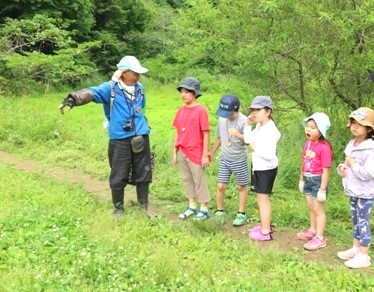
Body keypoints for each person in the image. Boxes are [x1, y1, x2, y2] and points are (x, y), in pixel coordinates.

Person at [58, 55, 153, 220]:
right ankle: (118, 209)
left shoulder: (140, 88)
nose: (138, 76)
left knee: (143, 172)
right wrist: (72, 99)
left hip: (141, 137)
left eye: (139, 73)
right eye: (134, 72)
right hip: (120, 139)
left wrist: (144, 126)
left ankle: (143, 207)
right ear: (123, 73)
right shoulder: (110, 89)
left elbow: (142, 107)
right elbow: (91, 92)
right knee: (119, 173)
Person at [336, 107, 374, 269]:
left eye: (360, 124)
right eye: (353, 122)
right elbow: (346, 164)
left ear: (369, 128)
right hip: (353, 190)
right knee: (355, 221)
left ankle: (364, 256)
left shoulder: (371, 149)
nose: (354, 126)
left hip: (365, 193)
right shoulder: (351, 144)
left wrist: (353, 165)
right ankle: (355, 248)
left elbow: (368, 174)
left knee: (363, 222)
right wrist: (342, 168)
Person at [172, 77, 211, 221]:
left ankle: (204, 208)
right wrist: (174, 152)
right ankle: (192, 205)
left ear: (194, 93)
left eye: (187, 91)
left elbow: (206, 133)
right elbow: (177, 132)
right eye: (182, 91)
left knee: (199, 179)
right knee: (186, 179)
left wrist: (205, 155)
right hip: (182, 150)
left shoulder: (201, 111)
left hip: (196, 152)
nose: (183, 94)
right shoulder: (180, 111)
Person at [208, 94, 249, 226]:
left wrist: (238, 135)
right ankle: (219, 211)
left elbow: (249, 141)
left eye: (229, 113)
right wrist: (211, 152)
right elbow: (219, 138)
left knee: (241, 187)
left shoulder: (244, 121)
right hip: (225, 158)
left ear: (236, 110)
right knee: (220, 186)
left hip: (239, 159)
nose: (227, 115)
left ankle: (241, 213)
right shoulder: (222, 120)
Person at [244, 96, 281, 241]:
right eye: (253, 110)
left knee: (263, 200)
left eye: (258, 109)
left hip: (265, 169)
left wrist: (254, 148)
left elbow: (268, 154)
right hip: (259, 167)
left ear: (268, 111)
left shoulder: (270, 130)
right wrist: (248, 124)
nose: (254, 112)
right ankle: (264, 225)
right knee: (260, 199)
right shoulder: (260, 126)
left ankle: (265, 232)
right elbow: (248, 140)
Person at [296, 113, 332, 250]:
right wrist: (301, 179)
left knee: (318, 209)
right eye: (307, 126)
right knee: (311, 206)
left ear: (321, 131)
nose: (308, 129)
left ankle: (320, 237)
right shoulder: (307, 144)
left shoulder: (324, 148)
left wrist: (322, 189)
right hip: (307, 178)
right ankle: (312, 230)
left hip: (317, 180)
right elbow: (304, 162)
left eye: (313, 127)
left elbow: (326, 170)